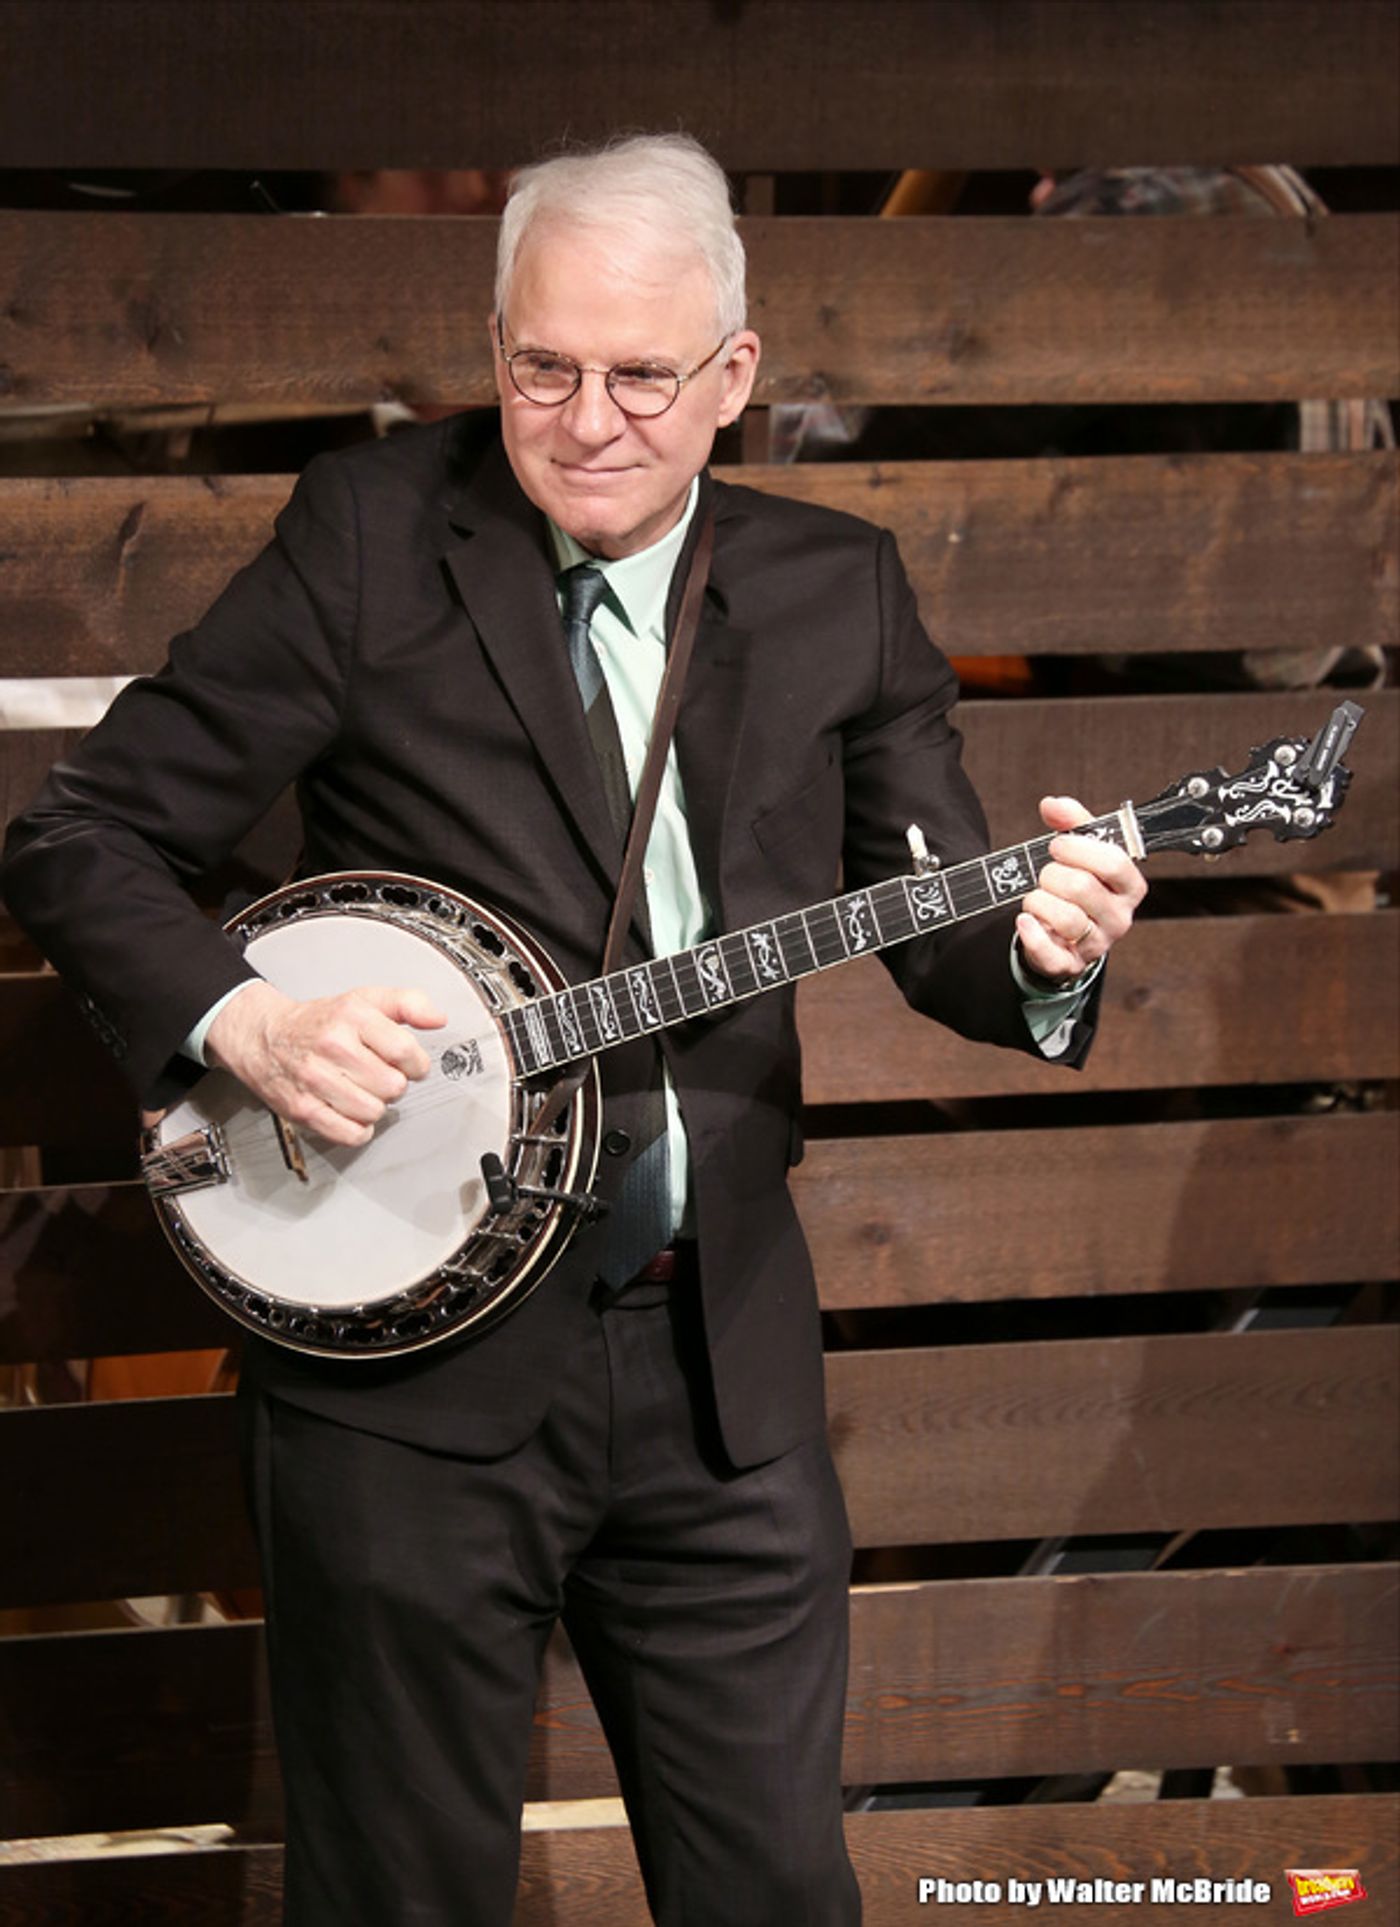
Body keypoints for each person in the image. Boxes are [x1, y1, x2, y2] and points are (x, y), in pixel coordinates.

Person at [1, 134, 1145, 1926]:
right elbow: (81, 836)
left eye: (641, 376)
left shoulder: (836, 590)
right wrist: (246, 1025)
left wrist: (1051, 953)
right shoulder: (370, 538)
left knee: (778, 1895)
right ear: (496, 346)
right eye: (544, 368)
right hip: (406, 1377)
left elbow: (950, 938)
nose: (589, 421)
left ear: (735, 377)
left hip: (720, 1374)